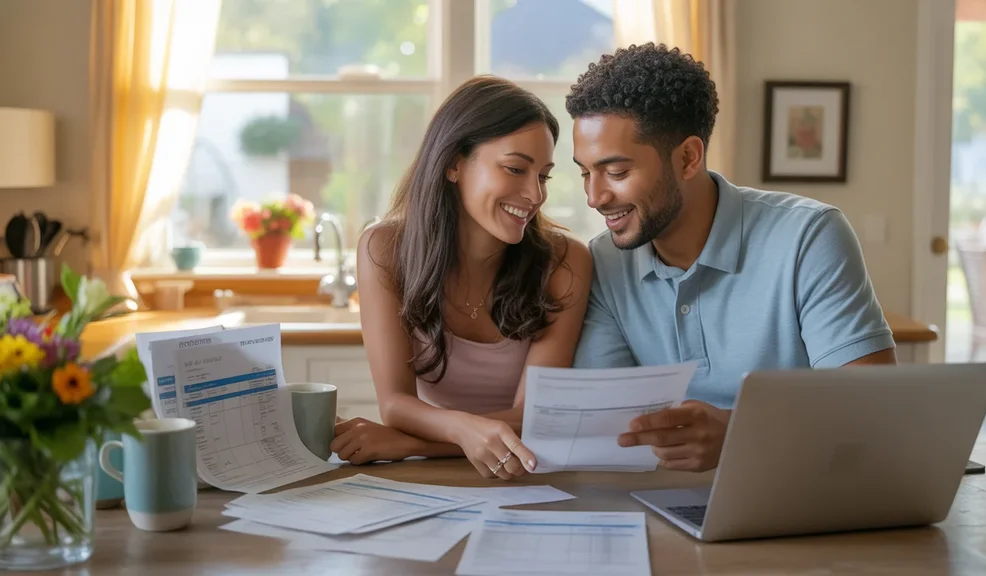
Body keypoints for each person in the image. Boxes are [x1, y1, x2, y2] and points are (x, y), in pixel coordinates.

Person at [566, 43, 896, 473]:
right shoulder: (606, 261)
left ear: (688, 157)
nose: (594, 197)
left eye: (616, 173)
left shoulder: (808, 236)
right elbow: (607, 427)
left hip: (803, 495)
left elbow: (876, 410)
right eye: (584, 173)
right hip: (663, 504)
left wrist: (742, 437)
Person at [331, 76, 592, 480]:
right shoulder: (383, 250)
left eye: (543, 176)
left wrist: (411, 444)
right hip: (444, 478)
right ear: (454, 163)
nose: (535, 195)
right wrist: (462, 432)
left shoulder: (566, 261)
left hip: (533, 473)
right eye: (515, 169)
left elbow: (533, 417)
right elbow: (396, 403)